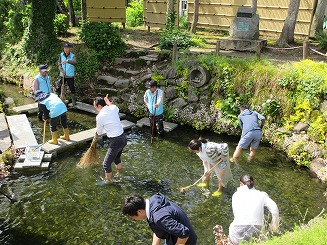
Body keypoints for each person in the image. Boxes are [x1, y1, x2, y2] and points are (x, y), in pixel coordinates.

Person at [122, 193, 197, 245]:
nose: (134, 219)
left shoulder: (159, 218)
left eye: (132, 217)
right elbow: (159, 227)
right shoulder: (153, 201)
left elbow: (184, 233)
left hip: (185, 241)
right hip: (173, 235)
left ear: (139, 211)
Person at [228, 174, 279, 244]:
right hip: (257, 229)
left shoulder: (235, 195)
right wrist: (274, 225)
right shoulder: (262, 195)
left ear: (241, 184)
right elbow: (275, 209)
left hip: (237, 229)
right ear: (253, 183)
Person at [94, 96, 127, 183]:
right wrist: (108, 101)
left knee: (106, 164)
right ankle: (120, 175)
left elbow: (100, 132)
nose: (95, 109)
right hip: (123, 138)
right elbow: (113, 106)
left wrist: (103, 128)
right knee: (116, 158)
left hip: (116, 141)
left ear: (99, 106)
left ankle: (108, 182)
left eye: (95, 107)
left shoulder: (100, 116)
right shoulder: (113, 108)